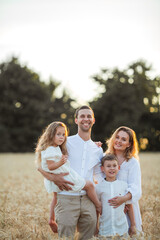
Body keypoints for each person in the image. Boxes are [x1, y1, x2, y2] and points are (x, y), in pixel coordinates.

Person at [37, 106, 104, 240]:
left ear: (93, 120)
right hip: (66, 197)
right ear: (76, 120)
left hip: (88, 200)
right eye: (82, 116)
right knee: (65, 237)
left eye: (89, 116)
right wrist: (53, 178)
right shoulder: (64, 142)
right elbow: (41, 164)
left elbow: (99, 176)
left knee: (89, 237)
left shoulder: (97, 149)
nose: (86, 119)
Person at [106, 126, 142, 235]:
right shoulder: (105, 158)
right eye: (117, 137)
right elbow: (99, 180)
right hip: (111, 205)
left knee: (131, 234)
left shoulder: (132, 163)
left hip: (128, 207)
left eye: (123, 139)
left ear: (129, 144)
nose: (119, 141)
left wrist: (123, 199)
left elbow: (136, 187)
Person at [96, 153, 135, 239]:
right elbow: (97, 209)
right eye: (108, 166)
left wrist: (133, 225)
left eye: (114, 165)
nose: (112, 168)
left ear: (119, 168)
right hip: (105, 231)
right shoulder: (98, 187)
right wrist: (96, 227)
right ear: (102, 168)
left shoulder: (124, 186)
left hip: (122, 230)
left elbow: (129, 206)